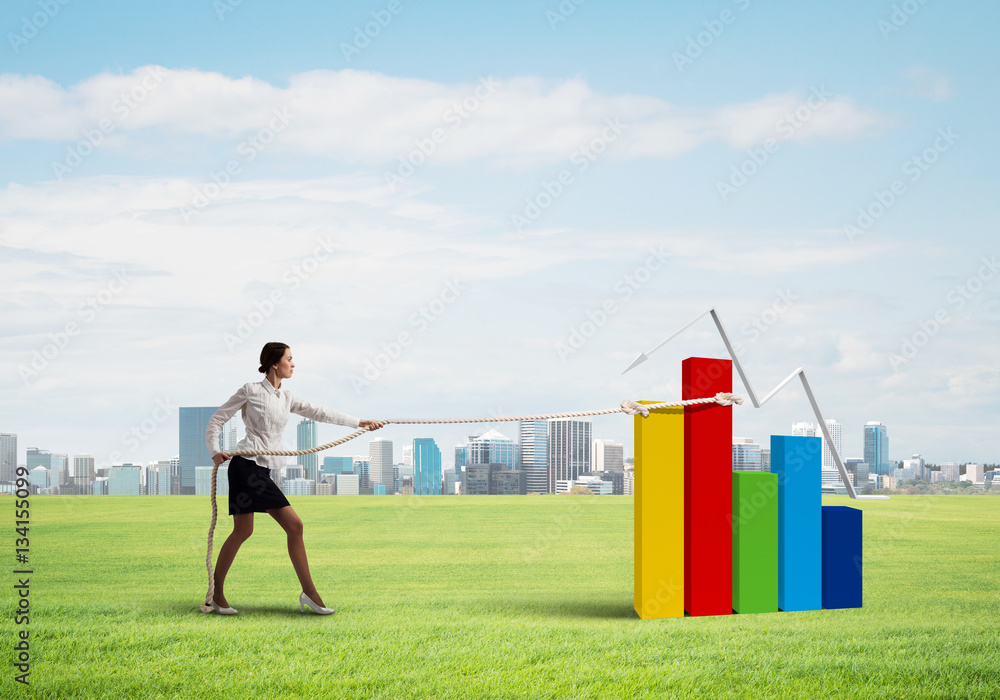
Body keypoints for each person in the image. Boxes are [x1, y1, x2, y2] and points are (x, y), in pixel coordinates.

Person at [204, 341, 384, 615]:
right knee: (294, 526)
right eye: (290, 358)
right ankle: (310, 594)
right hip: (245, 467)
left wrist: (360, 422)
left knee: (244, 531)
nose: (293, 363)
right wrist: (215, 451)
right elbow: (217, 419)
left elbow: (321, 412)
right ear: (275, 363)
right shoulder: (250, 391)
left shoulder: (287, 398)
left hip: (262, 470)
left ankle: (217, 595)